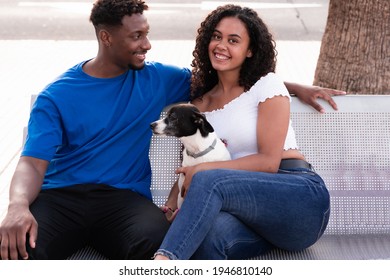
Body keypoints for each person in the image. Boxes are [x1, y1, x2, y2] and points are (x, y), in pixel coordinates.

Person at [0, 0, 341, 260]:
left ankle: (166, 264)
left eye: (146, 33)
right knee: (16, 248)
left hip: (125, 201)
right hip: (63, 198)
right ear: (106, 37)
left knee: (161, 237)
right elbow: (32, 162)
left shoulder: (157, 78)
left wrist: (293, 86)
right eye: (137, 36)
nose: (147, 44)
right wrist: (17, 205)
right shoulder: (58, 95)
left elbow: (244, 83)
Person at [154, 4, 331, 260]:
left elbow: (269, 163)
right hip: (247, 215)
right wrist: (171, 206)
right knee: (208, 237)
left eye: (233, 40)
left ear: (250, 51)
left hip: (297, 197)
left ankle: (161, 265)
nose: (221, 45)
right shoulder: (199, 106)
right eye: (216, 36)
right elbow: (191, 165)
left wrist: (203, 172)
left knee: (209, 177)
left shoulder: (266, 85)